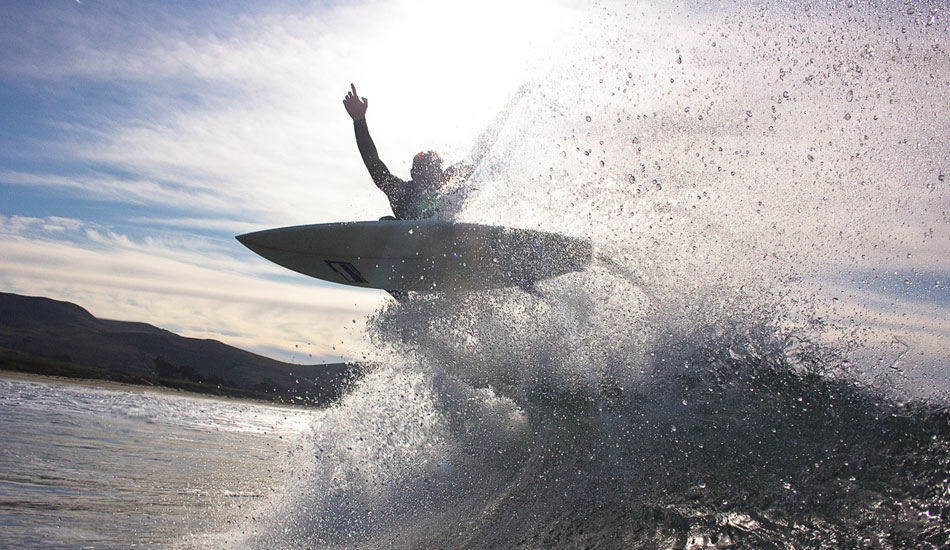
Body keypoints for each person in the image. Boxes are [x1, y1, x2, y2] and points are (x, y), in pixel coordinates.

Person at [343, 83, 467, 220]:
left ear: (440, 173)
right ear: (413, 174)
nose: (428, 177)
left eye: (433, 171)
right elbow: (373, 164)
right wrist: (359, 121)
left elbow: (477, 158)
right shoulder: (401, 193)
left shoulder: (449, 185)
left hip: (444, 238)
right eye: (423, 171)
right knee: (387, 221)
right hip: (405, 238)